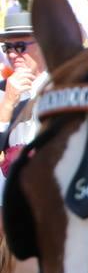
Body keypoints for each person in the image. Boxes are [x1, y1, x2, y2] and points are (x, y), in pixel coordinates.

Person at [0, 10, 49, 176]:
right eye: (7, 47)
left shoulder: (62, 86)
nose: (12, 54)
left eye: (20, 46)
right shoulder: (1, 90)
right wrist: (6, 104)